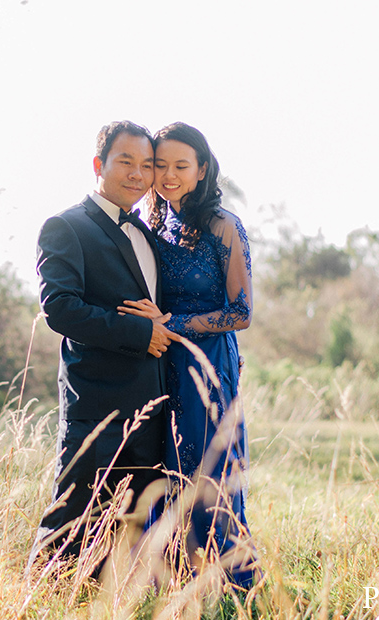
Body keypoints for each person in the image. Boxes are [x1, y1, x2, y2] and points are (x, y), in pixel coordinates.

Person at [29, 121, 179, 571]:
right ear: (99, 165)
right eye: (125, 162)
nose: (138, 174)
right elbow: (61, 309)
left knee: (132, 534)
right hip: (98, 407)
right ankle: (38, 611)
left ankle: (113, 618)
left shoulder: (149, 234)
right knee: (70, 526)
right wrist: (139, 334)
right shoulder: (66, 227)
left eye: (146, 165)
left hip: (153, 408)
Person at [118, 122, 257, 589]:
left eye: (181, 165)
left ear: (201, 170)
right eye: (160, 165)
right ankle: (173, 580)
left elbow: (241, 312)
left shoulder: (224, 227)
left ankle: (228, 582)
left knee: (207, 467)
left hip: (207, 363)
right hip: (160, 363)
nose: (169, 174)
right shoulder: (154, 225)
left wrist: (172, 324)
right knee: (166, 465)